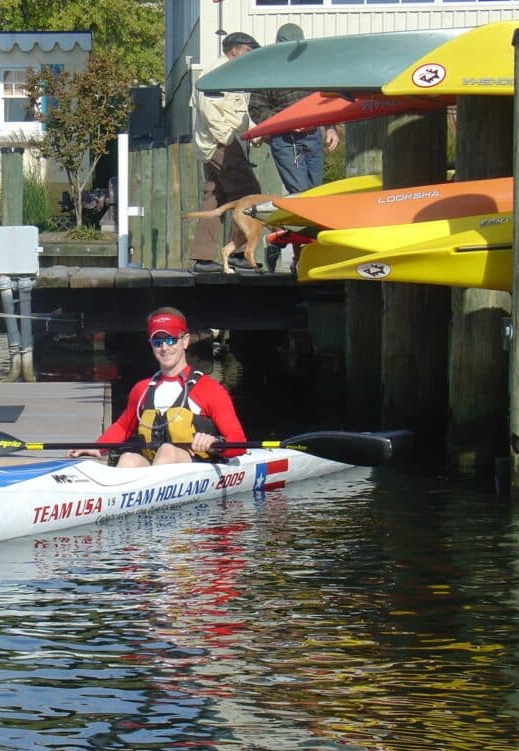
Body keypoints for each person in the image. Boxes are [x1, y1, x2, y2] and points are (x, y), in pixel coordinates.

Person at [67, 307, 247, 467]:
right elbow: (123, 426)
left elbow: (238, 440)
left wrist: (215, 442)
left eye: (170, 340)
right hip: (156, 467)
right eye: (157, 342)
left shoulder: (209, 389)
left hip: (196, 465)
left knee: (167, 450)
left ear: (185, 341)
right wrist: (98, 448)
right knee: (128, 458)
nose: (164, 348)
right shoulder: (142, 389)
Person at [249, 23, 340, 271]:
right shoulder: (267, 73)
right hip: (285, 140)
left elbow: (324, 100)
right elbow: (256, 110)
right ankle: (298, 256)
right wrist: (287, 123)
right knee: (301, 197)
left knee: (316, 196)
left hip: (311, 137)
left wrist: (331, 127)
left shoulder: (311, 69)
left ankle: (289, 246)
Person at [188, 31, 263, 274]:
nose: (251, 56)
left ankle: (203, 258)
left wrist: (255, 132)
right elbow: (210, 111)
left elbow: (238, 114)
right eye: (248, 51)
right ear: (234, 50)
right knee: (249, 195)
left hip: (218, 144)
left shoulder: (234, 75)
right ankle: (240, 252)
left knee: (215, 197)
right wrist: (228, 141)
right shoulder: (216, 73)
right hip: (220, 144)